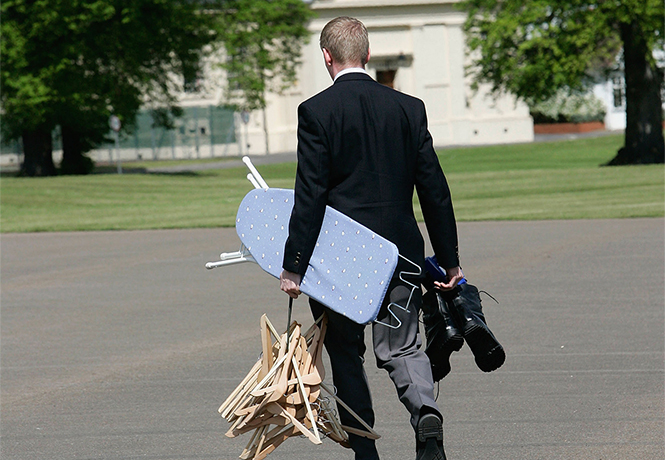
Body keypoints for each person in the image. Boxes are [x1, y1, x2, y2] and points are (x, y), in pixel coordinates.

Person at [279, 16, 462, 460]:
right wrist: (449, 258)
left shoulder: (316, 112)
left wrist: (294, 264)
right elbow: (434, 189)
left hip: (339, 260)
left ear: (327, 56)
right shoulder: (408, 108)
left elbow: (310, 197)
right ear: (366, 53)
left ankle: (365, 450)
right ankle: (425, 412)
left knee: (345, 353)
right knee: (402, 346)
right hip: (400, 253)